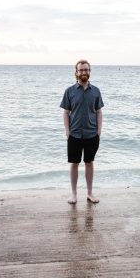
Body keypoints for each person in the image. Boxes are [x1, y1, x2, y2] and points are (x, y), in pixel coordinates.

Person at [60, 59, 104, 205]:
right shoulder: (69, 91)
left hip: (92, 134)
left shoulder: (96, 91)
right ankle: (73, 194)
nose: (84, 72)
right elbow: (66, 112)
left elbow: (98, 112)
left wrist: (99, 131)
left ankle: (90, 193)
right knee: (74, 163)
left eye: (86, 70)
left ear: (89, 72)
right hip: (74, 134)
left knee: (89, 162)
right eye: (81, 70)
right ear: (76, 72)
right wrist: (67, 132)